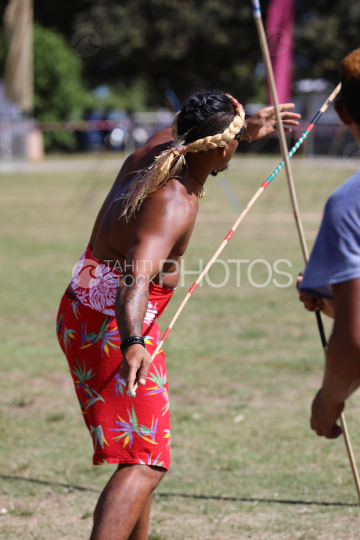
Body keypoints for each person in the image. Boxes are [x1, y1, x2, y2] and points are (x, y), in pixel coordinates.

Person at [56, 90, 300, 540]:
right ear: (222, 146)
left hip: (82, 305)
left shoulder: (160, 147)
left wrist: (243, 130)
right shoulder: (174, 200)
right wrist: (133, 343)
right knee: (147, 461)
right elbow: (134, 279)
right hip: (115, 326)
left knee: (139, 454)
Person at [297, 48, 360, 440]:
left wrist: (329, 400)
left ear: (343, 114)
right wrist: (337, 299)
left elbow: (355, 340)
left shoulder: (349, 204)